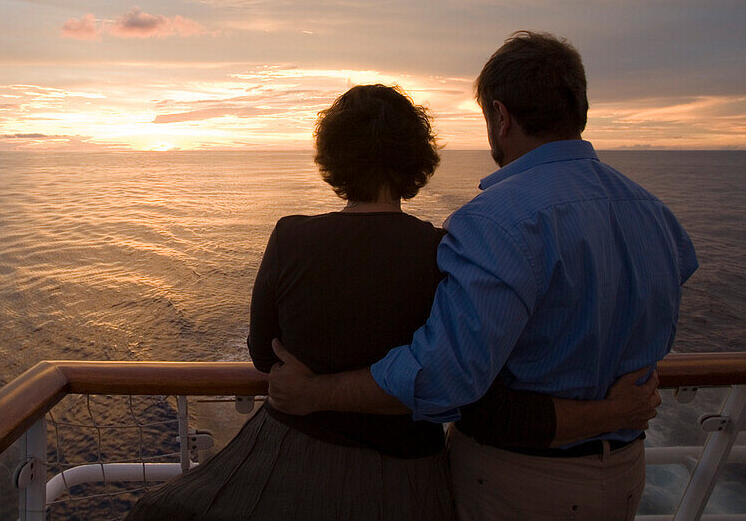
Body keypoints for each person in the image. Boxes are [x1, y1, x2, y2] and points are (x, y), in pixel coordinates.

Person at [129, 83, 657, 521]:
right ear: (415, 159)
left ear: (333, 158)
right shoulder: (443, 249)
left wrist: (312, 382)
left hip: (291, 457)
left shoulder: (290, 236)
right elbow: (464, 375)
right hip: (406, 476)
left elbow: (264, 356)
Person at [267, 32, 697, 520]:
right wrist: (612, 413)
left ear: (500, 115)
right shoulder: (656, 214)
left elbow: (445, 378)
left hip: (521, 485)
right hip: (623, 476)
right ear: (579, 109)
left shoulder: (496, 221)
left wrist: (314, 392)